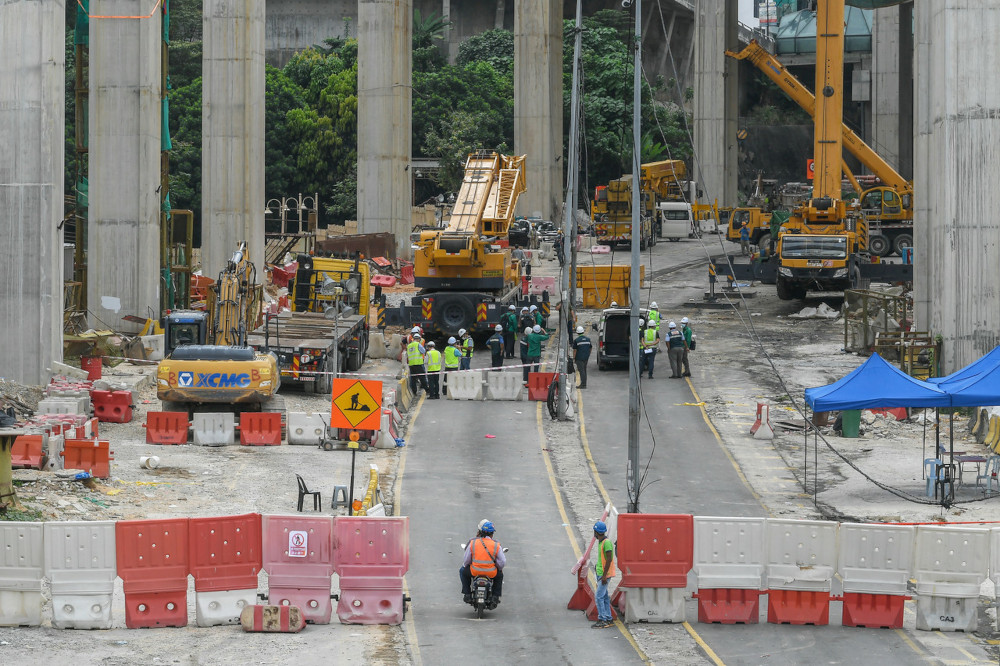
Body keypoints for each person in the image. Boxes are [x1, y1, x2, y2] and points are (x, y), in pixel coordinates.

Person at [460, 520, 505, 604]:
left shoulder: (473, 542)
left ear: (480, 532)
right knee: (500, 576)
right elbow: (502, 562)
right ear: (492, 533)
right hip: (491, 573)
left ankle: (467, 594)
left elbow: (466, 560)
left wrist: (467, 565)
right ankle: (495, 596)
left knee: (462, 571)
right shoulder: (496, 545)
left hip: (474, 571)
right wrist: (498, 567)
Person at [592, 520, 615, 628]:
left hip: (605, 575)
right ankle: (609, 618)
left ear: (596, 532)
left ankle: (602, 619)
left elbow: (609, 559)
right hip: (601, 574)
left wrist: (604, 576)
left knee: (598, 597)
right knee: (604, 597)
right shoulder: (601, 542)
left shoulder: (606, 543)